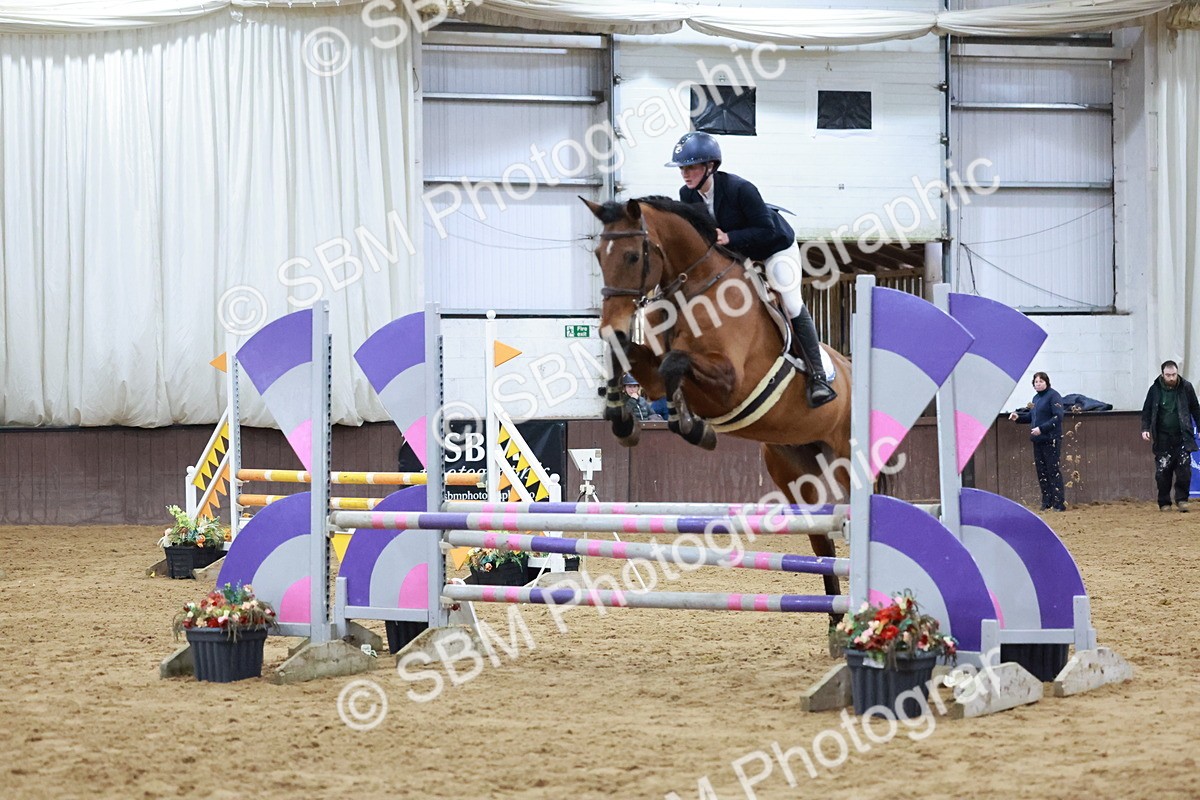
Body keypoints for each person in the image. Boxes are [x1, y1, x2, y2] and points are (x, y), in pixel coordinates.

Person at [666, 131, 836, 408]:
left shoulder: (740, 189)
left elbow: (765, 230)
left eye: (691, 167)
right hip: (738, 255)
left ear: (710, 166)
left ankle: (818, 376)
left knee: (791, 303)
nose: (685, 174)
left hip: (774, 247)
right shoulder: (687, 194)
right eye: (682, 168)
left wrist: (729, 238)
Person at [1139, 360, 1200, 512]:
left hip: (1182, 436)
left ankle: (1182, 500)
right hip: (1162, 437)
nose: (1171, 378)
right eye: (1168, 375)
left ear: (1177, 372)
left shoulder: (1186, 387)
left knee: (1184, 471)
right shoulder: (1154, 389)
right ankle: (1164, 502)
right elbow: (1146, 411)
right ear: (1162, 374)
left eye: (1174, 374)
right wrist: (1145, 428)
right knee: (1162, 472)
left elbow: (1195, 409)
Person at [1008, 371, 1066, 511]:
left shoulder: (1053, 396)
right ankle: (1047, 501)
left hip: (1050, 439)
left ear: (1047, 382)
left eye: (1041, 381)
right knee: (1042, 472)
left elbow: (1058, 417)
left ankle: (1058, 503)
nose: (1038, 384)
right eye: (1036, 382)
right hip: (1038, 440)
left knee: (1053, 471)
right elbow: (1031, 416)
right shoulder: (1035, 398)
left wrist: (1042, 429)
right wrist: (1019, 418)